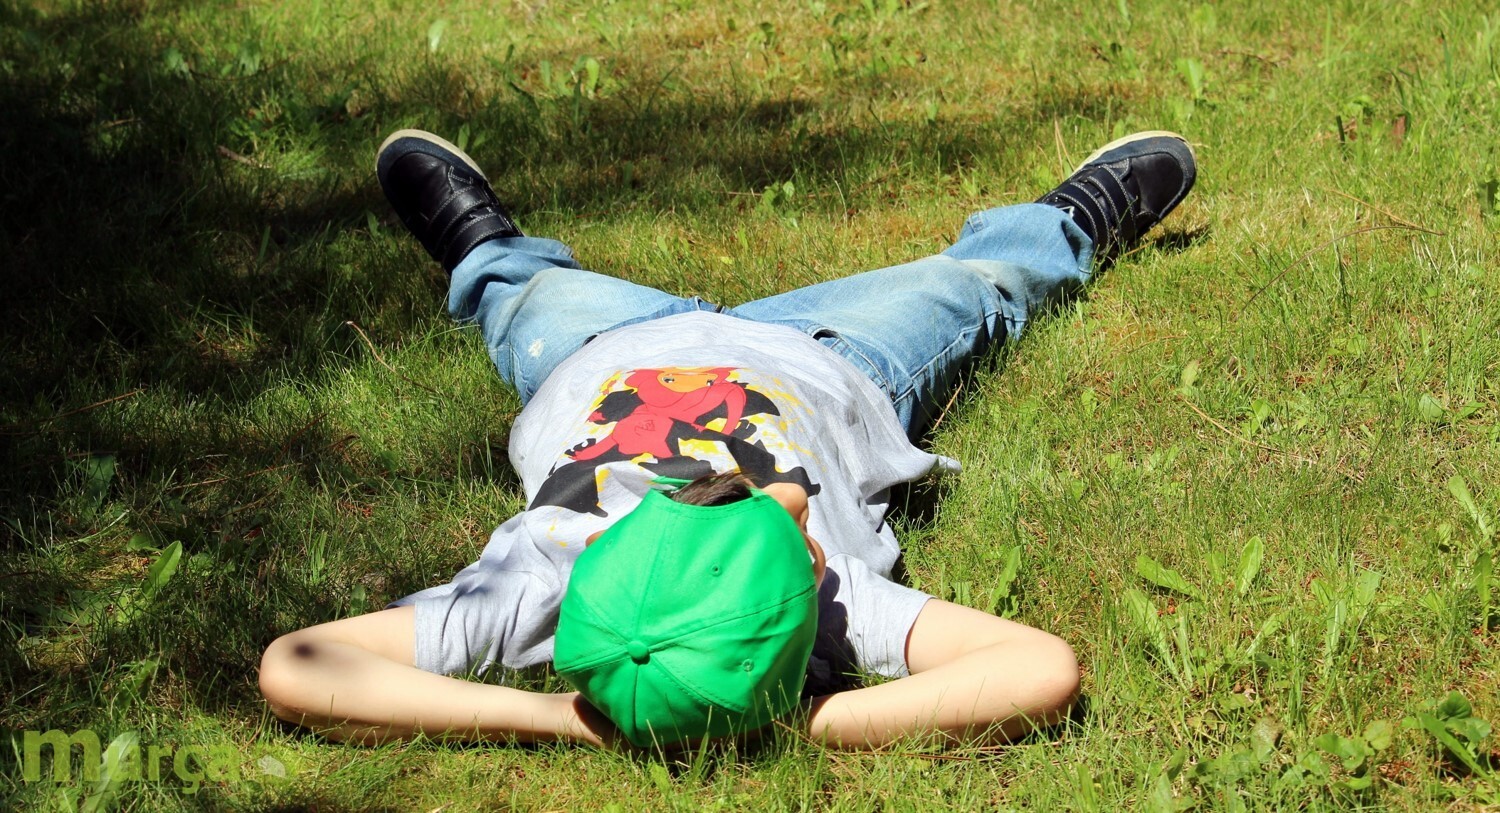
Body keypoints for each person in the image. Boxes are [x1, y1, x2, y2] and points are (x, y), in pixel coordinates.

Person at [258, 127, 1197, 750]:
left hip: (598, 349)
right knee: (973, 285)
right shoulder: (830, 606)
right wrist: (799, 719)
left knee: (518, 295)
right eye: (799, 534)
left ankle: (483, 245)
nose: (795, 500)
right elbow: (1042, 669)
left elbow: (294, 665)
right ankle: (1066, 224)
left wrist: (559, 720)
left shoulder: (541, 579)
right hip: (835, 356)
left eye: (760, 507)